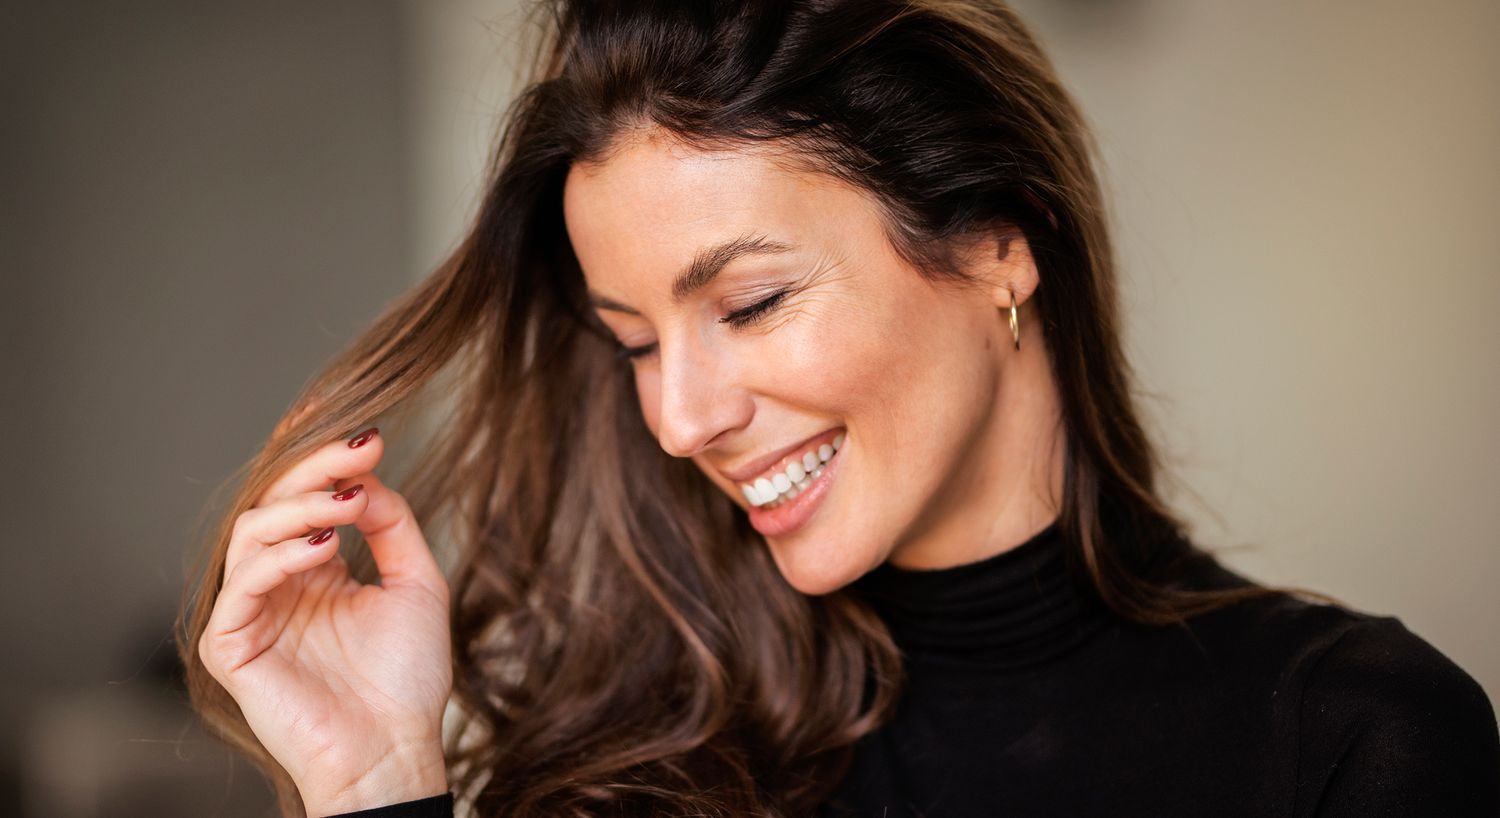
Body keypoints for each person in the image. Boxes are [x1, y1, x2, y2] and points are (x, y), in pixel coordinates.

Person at [178, 1, 1499, 816]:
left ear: (998, 243)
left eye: (748, 304)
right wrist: (375, 783)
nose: (681, 417)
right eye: (631, 342)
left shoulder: (1356, 742)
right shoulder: (649, 753)